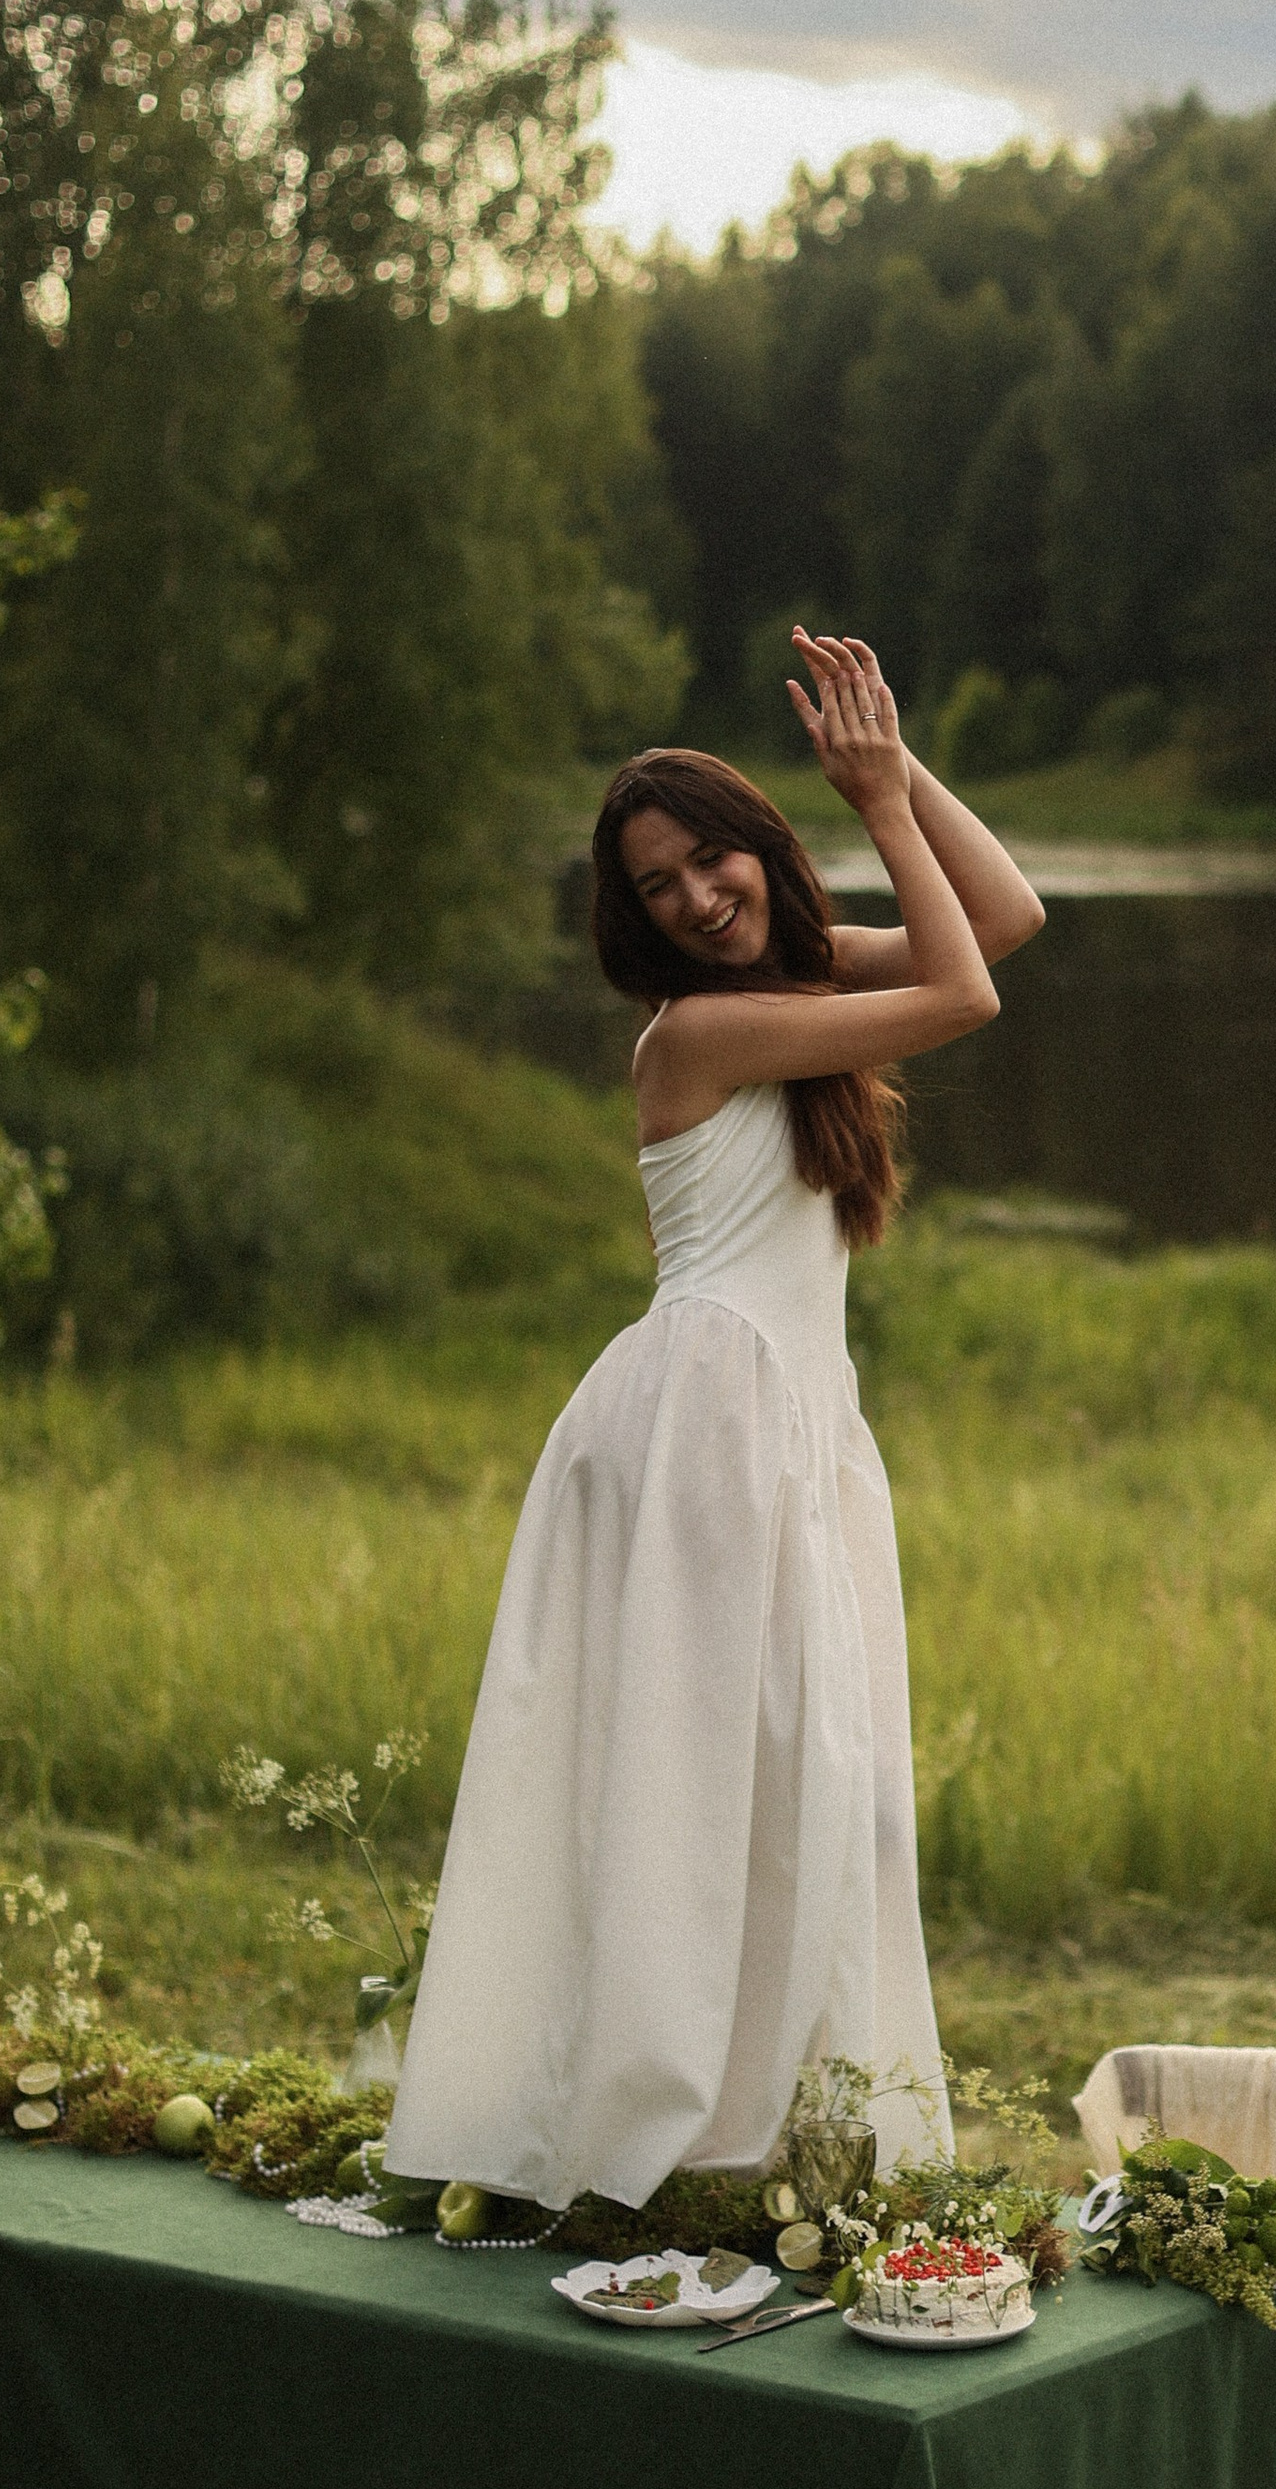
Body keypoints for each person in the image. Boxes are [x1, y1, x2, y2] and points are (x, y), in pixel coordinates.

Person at [385, 633, 1043, 2214]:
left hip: (786, 1427)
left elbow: (1009, 918)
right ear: (635, 916)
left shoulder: (794, 986)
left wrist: (894, 771)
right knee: (694, 1784)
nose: (694, 896)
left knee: (813, 1783)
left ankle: (763, 2138)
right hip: (703, 1428)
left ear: (760, 842)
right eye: (657, 882)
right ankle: (646, 2139)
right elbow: (968, 992)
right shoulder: (700, 1033)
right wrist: (877, 804)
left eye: (710, 856)